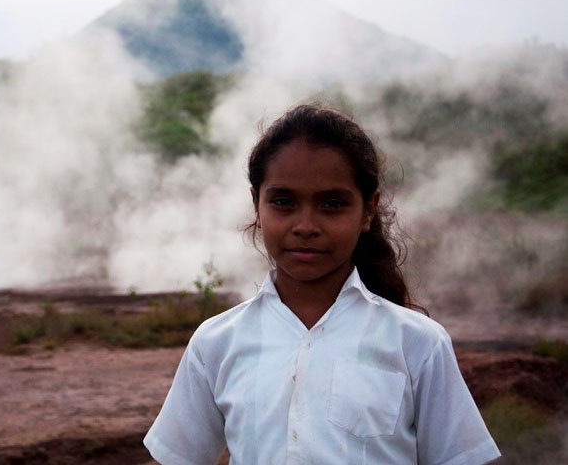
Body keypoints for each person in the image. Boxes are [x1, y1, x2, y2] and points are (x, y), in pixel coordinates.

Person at [143, 105, 501, 464]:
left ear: (367, 211)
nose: (306, 226)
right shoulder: (216, 343)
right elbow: (176, 456)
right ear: (257, 203)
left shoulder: (418, 344)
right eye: (283, 202)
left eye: (332, 204)